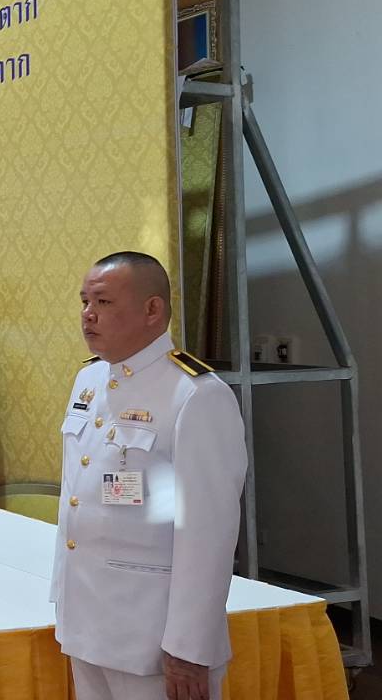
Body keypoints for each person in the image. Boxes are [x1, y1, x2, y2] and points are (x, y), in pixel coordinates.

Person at [53, 252, 246, 700]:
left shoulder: (195, 394)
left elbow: (208, 532)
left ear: (152, 309)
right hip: (86, 619)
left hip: (152, 633)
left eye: (103, 302)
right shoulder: (89, 382)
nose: (88, 314)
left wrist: (189, 646)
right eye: (84, 302)